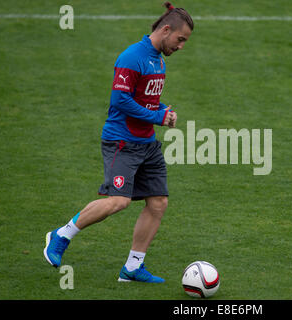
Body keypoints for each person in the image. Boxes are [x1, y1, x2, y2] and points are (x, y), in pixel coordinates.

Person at [43, 2, 194, 283]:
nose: (181, 46)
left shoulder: (158, 59)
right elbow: (120, 101)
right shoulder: (132, 57)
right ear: (165, 30)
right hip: (122, 141)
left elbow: (145, 99)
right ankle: (61, 235)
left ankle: (133, 267)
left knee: (158, 202)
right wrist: (158, 116)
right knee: (119, 201)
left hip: (146, 143)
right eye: (180, 39)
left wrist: (162, 112)